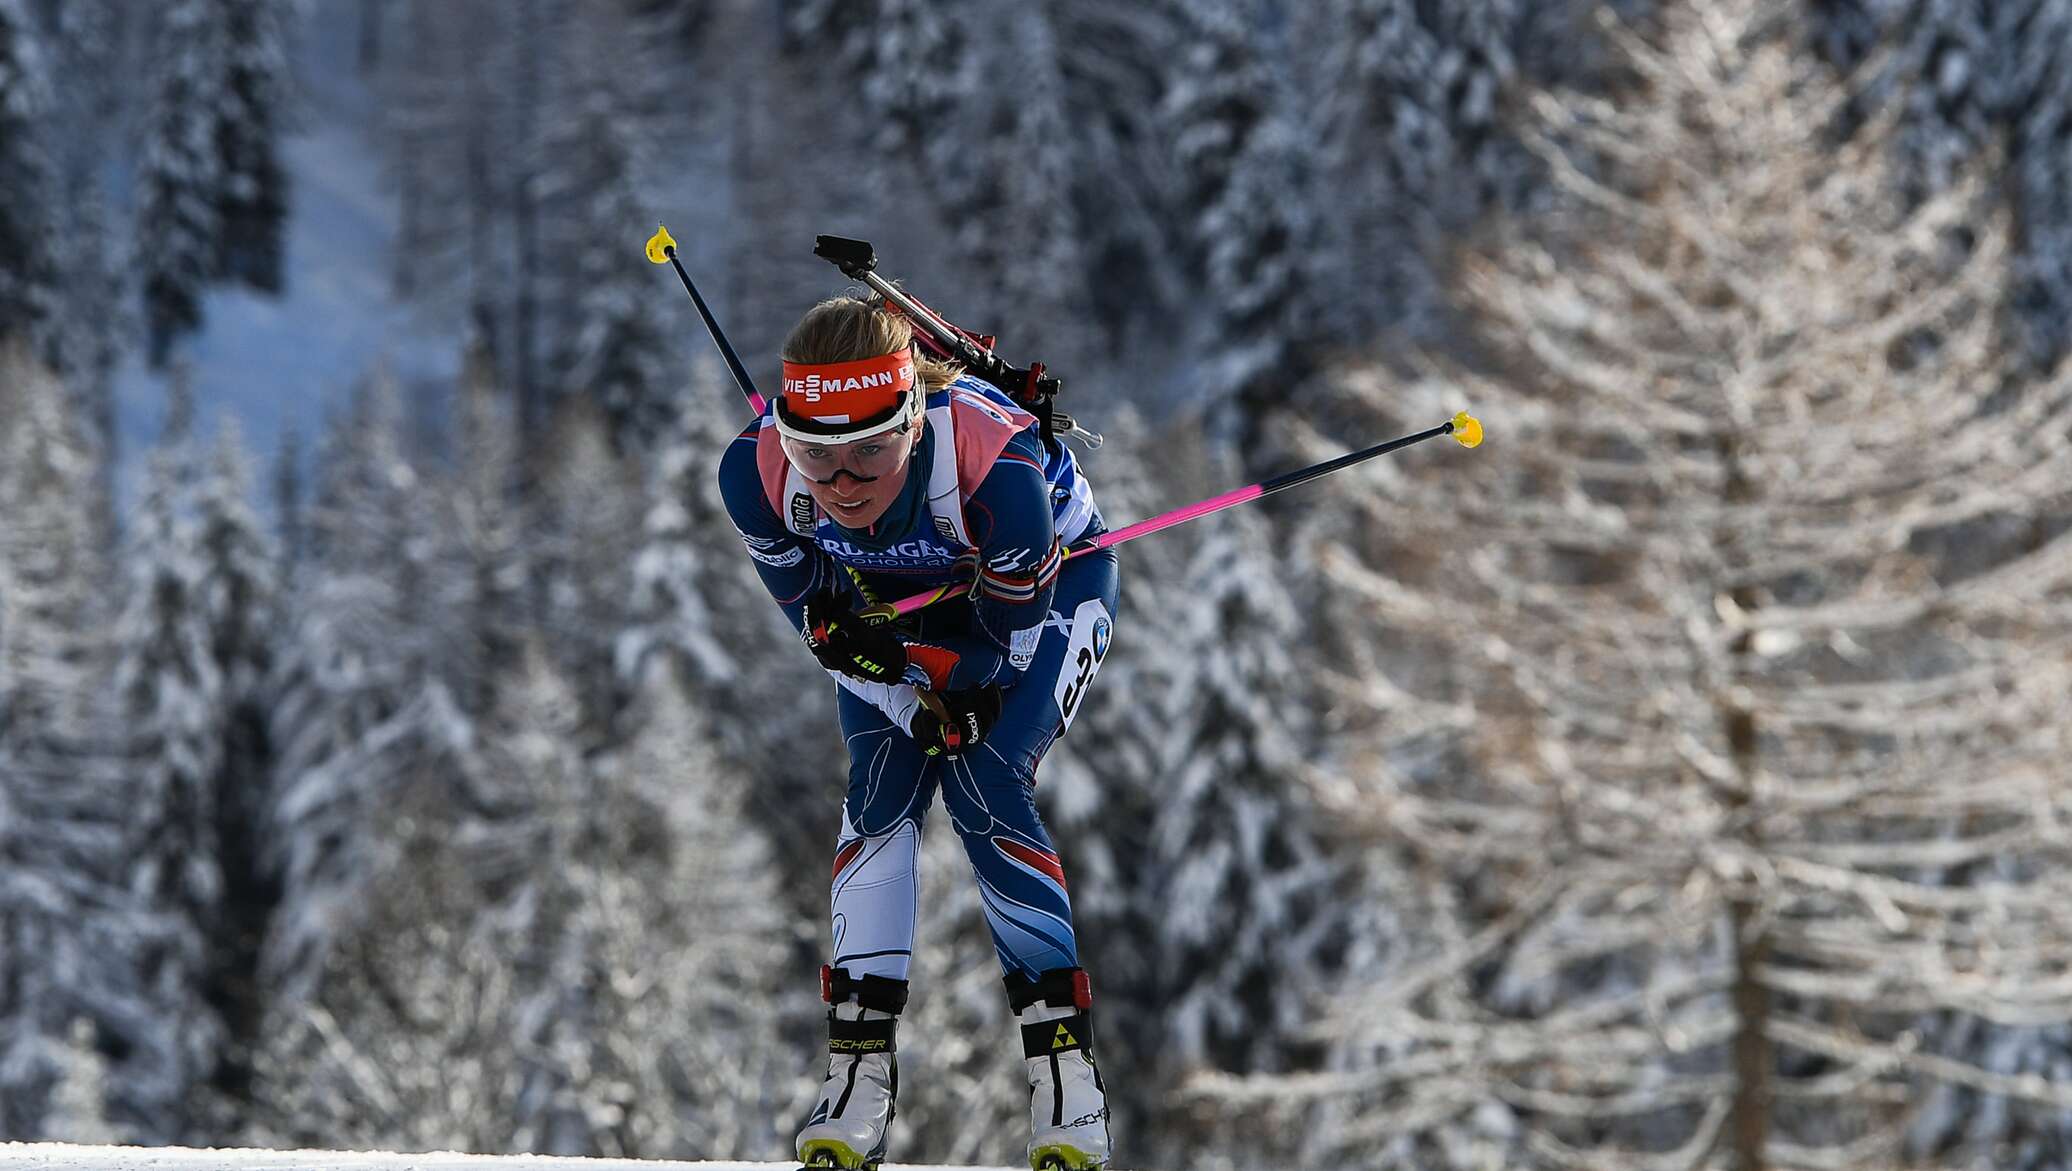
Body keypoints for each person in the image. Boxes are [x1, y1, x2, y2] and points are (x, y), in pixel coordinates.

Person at [717, 294, 1119, 1171]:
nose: (842, 483)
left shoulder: (996, 469)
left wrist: (943, 686)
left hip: (1043, 597)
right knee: (880, 793)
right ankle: (857, 1073)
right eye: (816, 453)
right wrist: (865, 654)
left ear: (912, 419)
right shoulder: (756, 477)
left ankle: (1066, 1082)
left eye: (870, 449)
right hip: (897, 617)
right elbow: (820, 627)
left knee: (985, 780)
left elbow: (1002, 656)